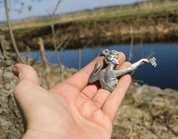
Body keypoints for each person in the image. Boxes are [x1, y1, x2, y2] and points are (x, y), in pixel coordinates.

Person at [12, 52, 131, 139]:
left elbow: (91, 78)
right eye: (115, 58)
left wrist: (97, 68)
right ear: (112, 61)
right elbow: (92, 78)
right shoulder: (107, 72)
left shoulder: (103, 72)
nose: (116, 60)